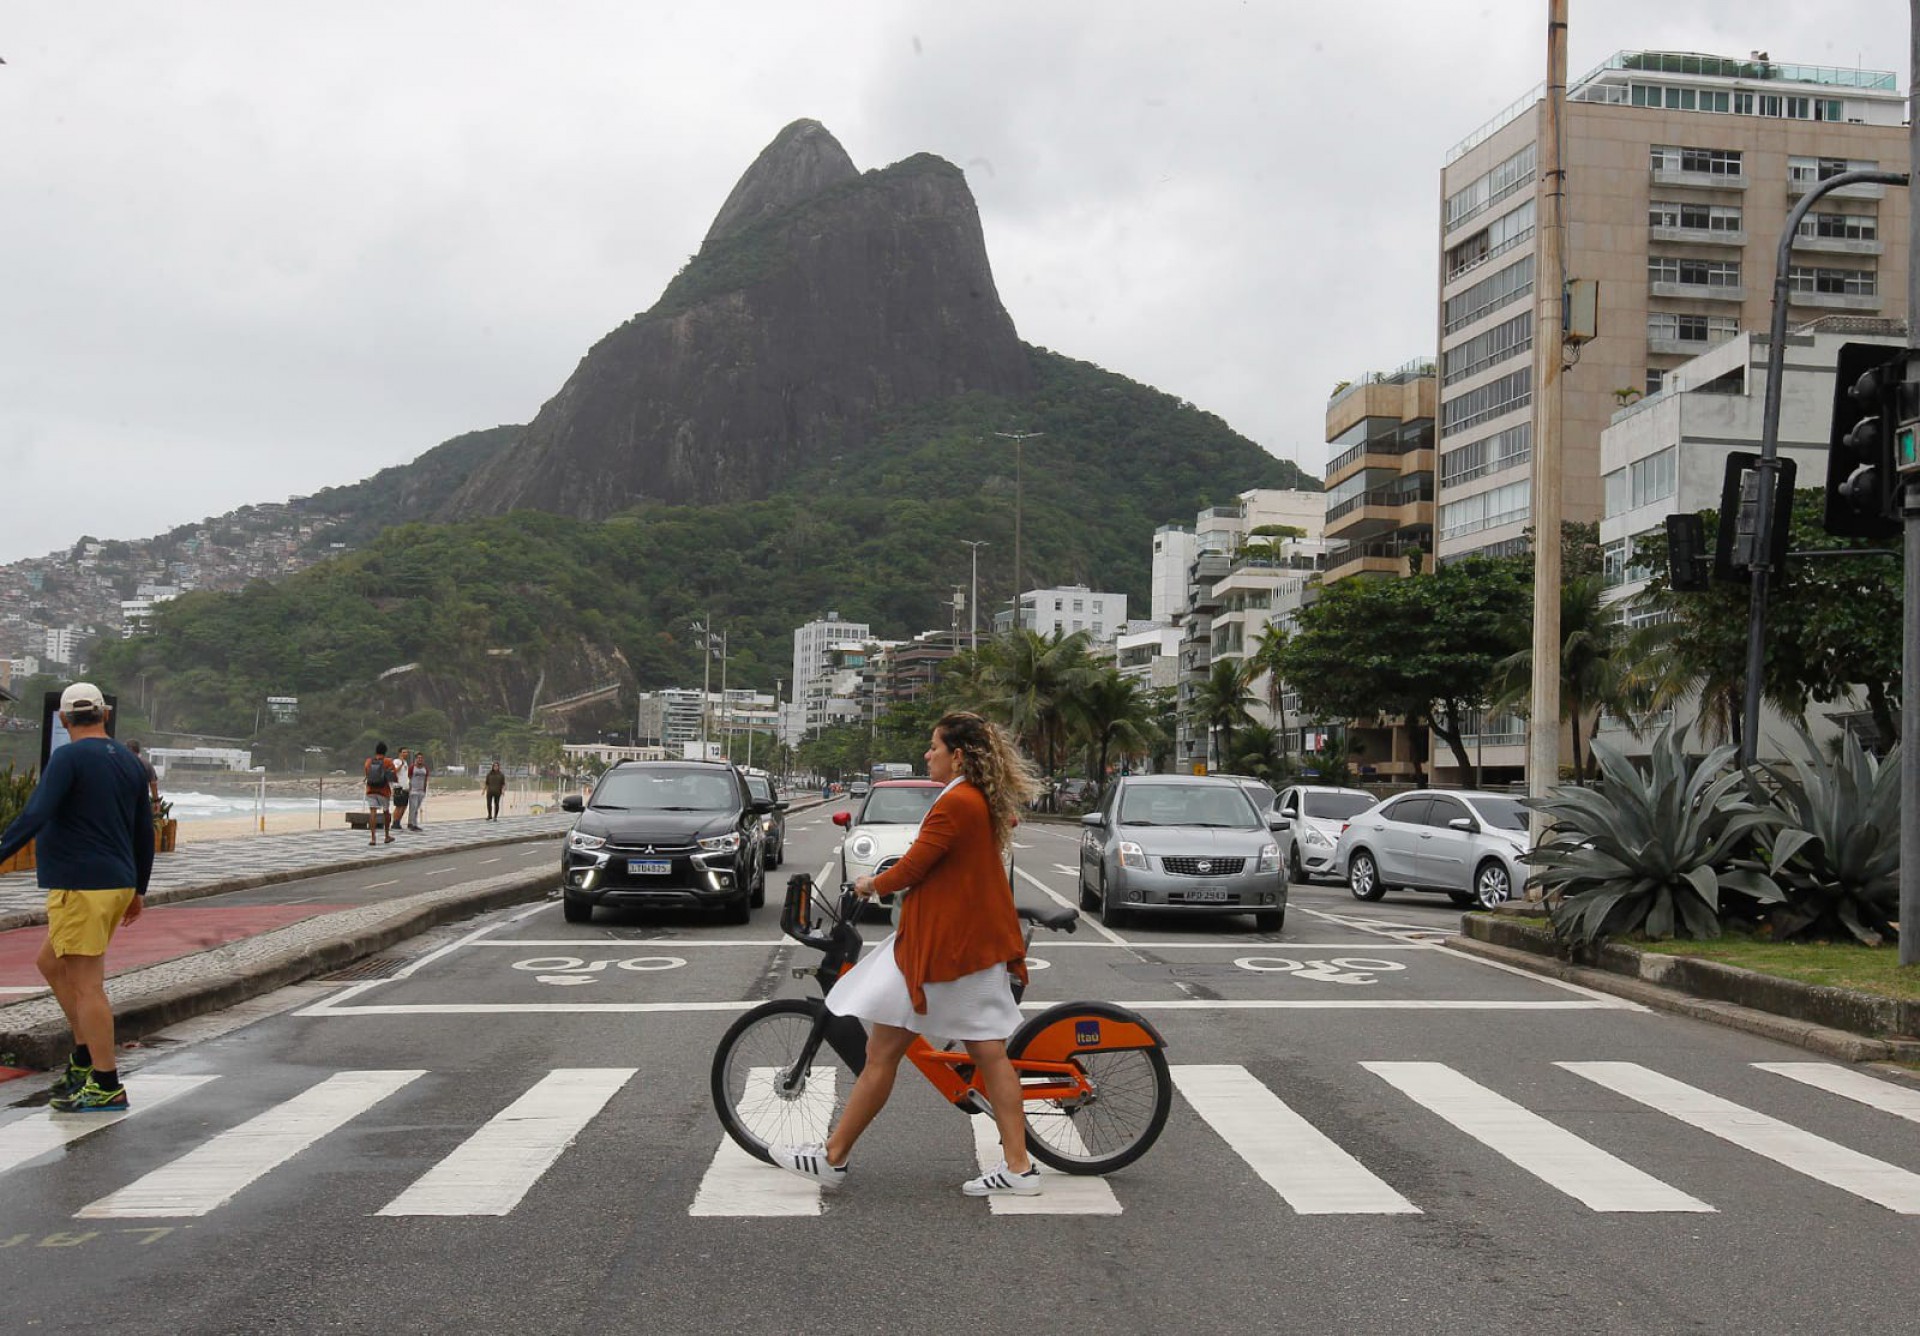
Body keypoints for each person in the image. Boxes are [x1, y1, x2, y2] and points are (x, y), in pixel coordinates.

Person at [770, 711, 1043, 1197]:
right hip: (936, 945)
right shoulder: (966, 797)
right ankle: (833, 1156)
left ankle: (1019, 1167)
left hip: (956, 951)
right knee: (884, 1051)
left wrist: (870, 882)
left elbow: (916, 864)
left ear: (956, 755)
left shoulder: (958, 801)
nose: (927, 754)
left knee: (987, 1052)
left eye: (934, 747)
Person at [0, 683, 152, 1112]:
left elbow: (36, 813)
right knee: (50, 963)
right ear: (103, 714)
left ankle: (105, 1082)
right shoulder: (129, 759)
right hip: (116, 882)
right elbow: (144, 829)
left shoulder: (66, 756)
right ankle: (85, 1057)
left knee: (87, 986)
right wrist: (138, 889)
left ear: (65, 721)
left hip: (81, 885)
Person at [364, 742, 396, 845]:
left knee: (373, 812)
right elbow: (393, 777)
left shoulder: (368, 761)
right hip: (383, 791)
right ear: (385, 751)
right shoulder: (388, 761)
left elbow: (367, 774)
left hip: (370, 790)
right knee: (386, 812)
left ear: (376, 751)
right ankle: (386, 836)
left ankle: (373, 838)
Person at [127, 740, 160, 810]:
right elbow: (153, 783)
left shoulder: (123, 762)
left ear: (129, 749)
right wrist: (156, 801)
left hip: (125, 800)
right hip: (142, 800)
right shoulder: (147, 764)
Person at [390, 747, 413, 832]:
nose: (405, 754)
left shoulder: (406, 762)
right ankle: (395, 822)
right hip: (398, 787)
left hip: (405, 787)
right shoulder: (396, 761)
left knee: (404, 805)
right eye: (404, 752)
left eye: (406, 752)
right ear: (400, 753)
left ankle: (398, 821)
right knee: (398, 805)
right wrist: (401, 764)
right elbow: (394, 771)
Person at [406, 752, 429, 830]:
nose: (420, 759)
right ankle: (412, 824)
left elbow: (426, 779)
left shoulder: (425, 768)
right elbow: (408, 778)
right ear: (416, 759)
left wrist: (424, 790)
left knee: (416, 808)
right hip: (413, 790)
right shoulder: (412, 767)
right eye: (418, 758)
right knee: (414, 807)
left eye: (421, 758)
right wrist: (409, 789)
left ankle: (412, 823)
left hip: (421, 791)